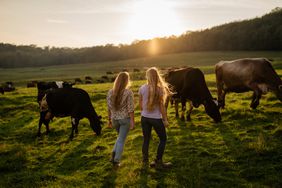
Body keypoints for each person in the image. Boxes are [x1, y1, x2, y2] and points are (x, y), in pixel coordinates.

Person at [139, 67, 172, 168]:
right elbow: (162, 107)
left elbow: (140, 105)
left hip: (144, 118)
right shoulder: (160, 89)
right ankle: (158, 161)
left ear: (147, 76)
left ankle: (145, 160)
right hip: (156, 118)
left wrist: (145, 112)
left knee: (146, 139)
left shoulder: (142, 88)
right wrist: (165, 119)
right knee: (163, 139)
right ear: (157, 76)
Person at [107, 72, 135, 167]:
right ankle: (116, 160)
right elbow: (130, 108)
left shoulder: (110, 92)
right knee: (121, 140)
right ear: (126, 81)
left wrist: (109, 120)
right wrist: (132, 122)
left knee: (119, 138)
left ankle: (113, 156)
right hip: (125, 120)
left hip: (115, 119)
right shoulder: (128, 92)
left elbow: (109, 108)